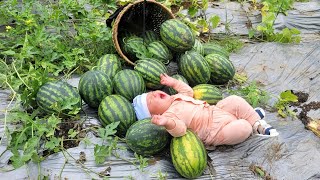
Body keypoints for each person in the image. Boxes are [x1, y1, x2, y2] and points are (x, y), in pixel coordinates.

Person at [132, 73, 279, 149]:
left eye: (152, 92)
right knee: (242, 128)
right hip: (214, 132)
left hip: (215, 111)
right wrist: (166, 123)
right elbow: (180, 130)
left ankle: (255, 121)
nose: (155, 93)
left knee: (234, 100)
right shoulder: (170, 115)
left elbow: (188, 91)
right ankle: (251, 126)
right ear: (156, 115)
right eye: (151, 100)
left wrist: (173, 82)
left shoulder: (176, 97)